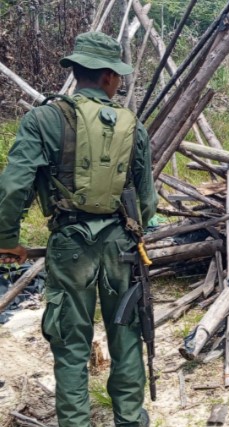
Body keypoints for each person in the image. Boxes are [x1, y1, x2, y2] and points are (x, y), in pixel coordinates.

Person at [0, 32, 156, 427]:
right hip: (122, 245)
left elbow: (14, 185)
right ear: (108, 77)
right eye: (118, 75)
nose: (119, 82)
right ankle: (131, 421)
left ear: (76, 71)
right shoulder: (132, 125)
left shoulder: (43, 118)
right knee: (126, 336)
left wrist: (7, 239)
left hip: (70, 244)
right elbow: (147, 200)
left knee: (70, 345)